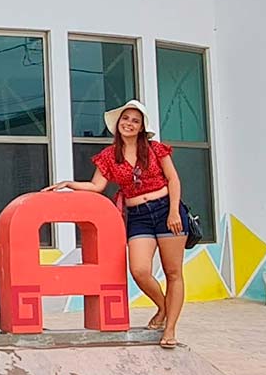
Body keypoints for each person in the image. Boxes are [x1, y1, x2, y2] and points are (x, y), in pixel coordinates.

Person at [43, 100, 191, 349]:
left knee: (173, 273)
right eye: (126, 119)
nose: (129, 124)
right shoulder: (110, 156)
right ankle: (163, 307)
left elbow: (173, 179)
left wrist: (174, 211)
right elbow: (96, 186)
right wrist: (69, 183)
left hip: (167, 209)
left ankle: (171, 328)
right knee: (140, 270)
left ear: (142, 126)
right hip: (138, 216)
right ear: (117, 123)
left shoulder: (156, 149)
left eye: (135, 120)